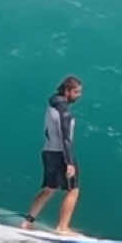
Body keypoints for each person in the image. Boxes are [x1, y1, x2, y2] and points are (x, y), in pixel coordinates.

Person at [21, 75, 83, 234]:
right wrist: (69, 162)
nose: (79, 95)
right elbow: (65, 137)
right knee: (73, 190)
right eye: (76, 92)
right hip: (61, 154)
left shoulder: (53, 103)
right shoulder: (64, 111)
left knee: (49, 188)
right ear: (67, 91)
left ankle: (27, 222)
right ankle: (63, 227)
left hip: (48, 152)